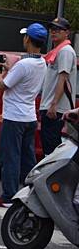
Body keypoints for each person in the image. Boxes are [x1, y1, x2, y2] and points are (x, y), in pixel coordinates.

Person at [0, 23, 47, 208]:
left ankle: (8, 195)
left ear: (28, 39)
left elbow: (3, 85)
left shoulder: (24, 64)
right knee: (28, 157)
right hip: (29, 116)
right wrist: (8, 68)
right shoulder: (41, 62)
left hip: (14, 117)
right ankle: (29, 192)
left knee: (9, 156)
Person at [40, 17, 77, 155]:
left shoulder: (66, 51)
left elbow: (63, 78)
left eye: (58, 29)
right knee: (48, 146)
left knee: (52, 150)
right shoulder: (57, 51)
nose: (53, 32)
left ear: (67, 32)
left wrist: (54, 104)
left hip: (56, 109)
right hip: (50, 106)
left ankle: (52, 177)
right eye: (52, 29)